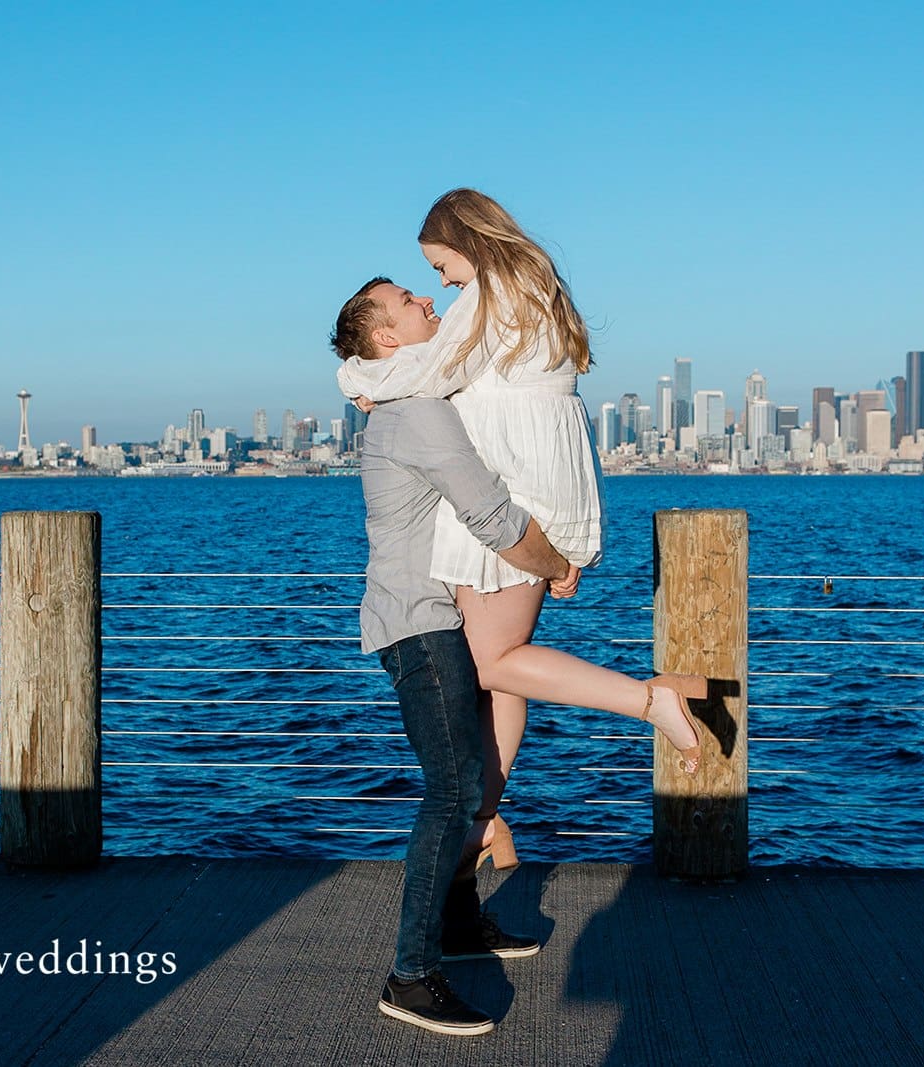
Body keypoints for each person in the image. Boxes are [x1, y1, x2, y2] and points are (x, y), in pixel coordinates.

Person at [336, 190, 708, 876]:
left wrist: (360, 377)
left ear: (467, 243)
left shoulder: (490, 290)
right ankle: (483, 818)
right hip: (545, 471)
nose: (443, 284)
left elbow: (434, 369)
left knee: (493, 662)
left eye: (442, 264)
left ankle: (650, 700)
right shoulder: (530, 283)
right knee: (504, 667)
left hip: (515, 477)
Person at [331, 275, 579, 1036]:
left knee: (470, 771)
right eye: (411, 302)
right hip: (422, 625)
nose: (428, 304)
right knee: (453, 784)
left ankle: (461, 926)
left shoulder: (411, 395)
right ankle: (410, 974)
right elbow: (491, 513)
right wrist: (556, 565)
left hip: (450, 615)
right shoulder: (415, 416)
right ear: (385, 337)